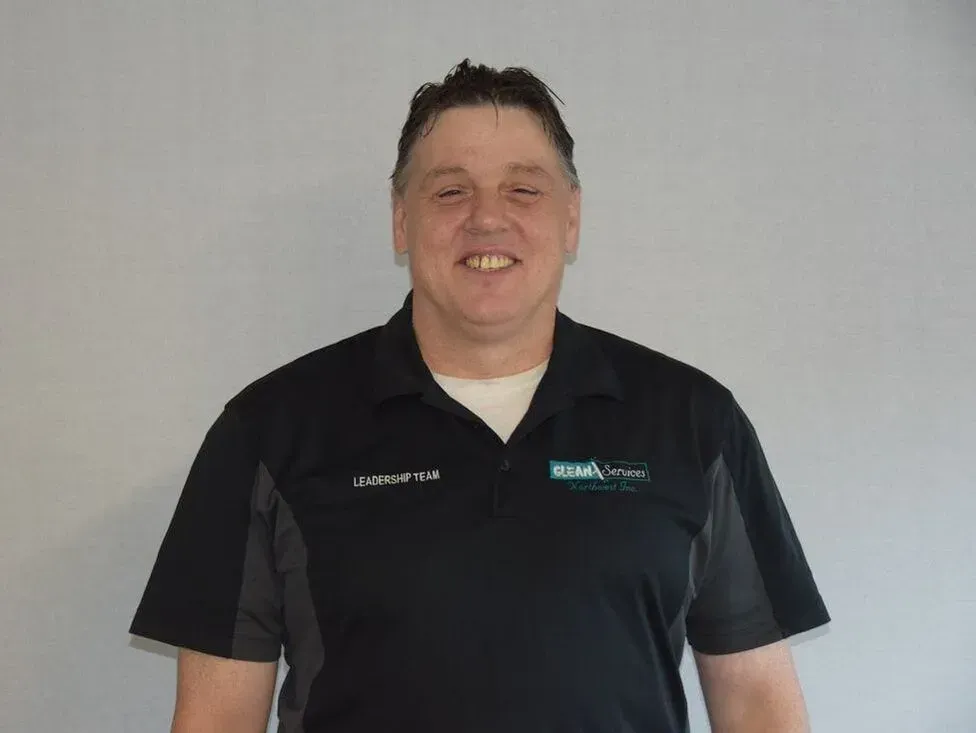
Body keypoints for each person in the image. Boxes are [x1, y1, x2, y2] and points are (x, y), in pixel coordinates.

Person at [130, 59, 830, 733]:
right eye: (450, 190)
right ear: (402, 220)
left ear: (572, 218)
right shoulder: (269, 431)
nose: (487, 219)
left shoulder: (693, 422)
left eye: (524, 189)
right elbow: (216, 718)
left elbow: (758, 702)